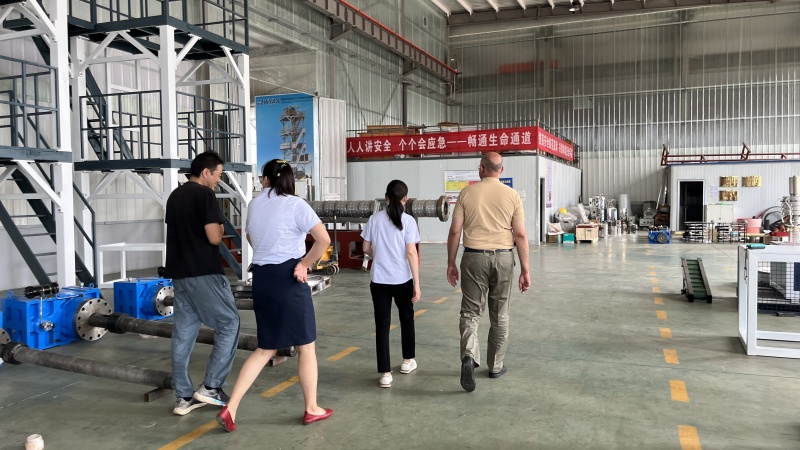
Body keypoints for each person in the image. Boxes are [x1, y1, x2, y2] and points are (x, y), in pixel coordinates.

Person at [216, 159, 333, 432]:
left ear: (266, 180)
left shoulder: (255, 204)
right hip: (288, 278)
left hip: (263, 277)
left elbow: (249, 236)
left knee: (265, 347)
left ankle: (230, 407)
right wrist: (304, 264)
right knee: (306, 346)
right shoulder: (296, 204)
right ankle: (312, 408)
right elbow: (324, 239)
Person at [446, 152, 530, 393]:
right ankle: (495, 366)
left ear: (480, 169)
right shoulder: (512, 195)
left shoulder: (466, 193)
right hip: (504, 257)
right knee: (500, 313)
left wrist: (451, 262)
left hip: (473, 257)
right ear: (501, 171)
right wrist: (525, 270)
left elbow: (455, 232)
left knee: (471, 311)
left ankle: (469, 356)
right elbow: (521, 235)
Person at [164, 151, 241, 415]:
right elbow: (214, 238)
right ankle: (211, 387)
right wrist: (220, 227)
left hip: (180, 274)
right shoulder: (204, 195)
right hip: (203, 273)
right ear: (206, 172)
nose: (219, 181)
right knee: (229, 323)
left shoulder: (175, 196)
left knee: (184, 334)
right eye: (218, 175)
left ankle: (184, 396)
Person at [361, 180, 421, 388]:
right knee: (407, 319)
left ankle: (385, 374)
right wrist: (417, 283)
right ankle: (407, 361)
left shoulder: (374, 219)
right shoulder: (409, 221)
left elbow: (366, 247)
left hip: (379, 280)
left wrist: (380, 256)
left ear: (385, 197)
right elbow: (411, 252)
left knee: (382, 325)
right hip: (402, 279)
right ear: (406, 198)